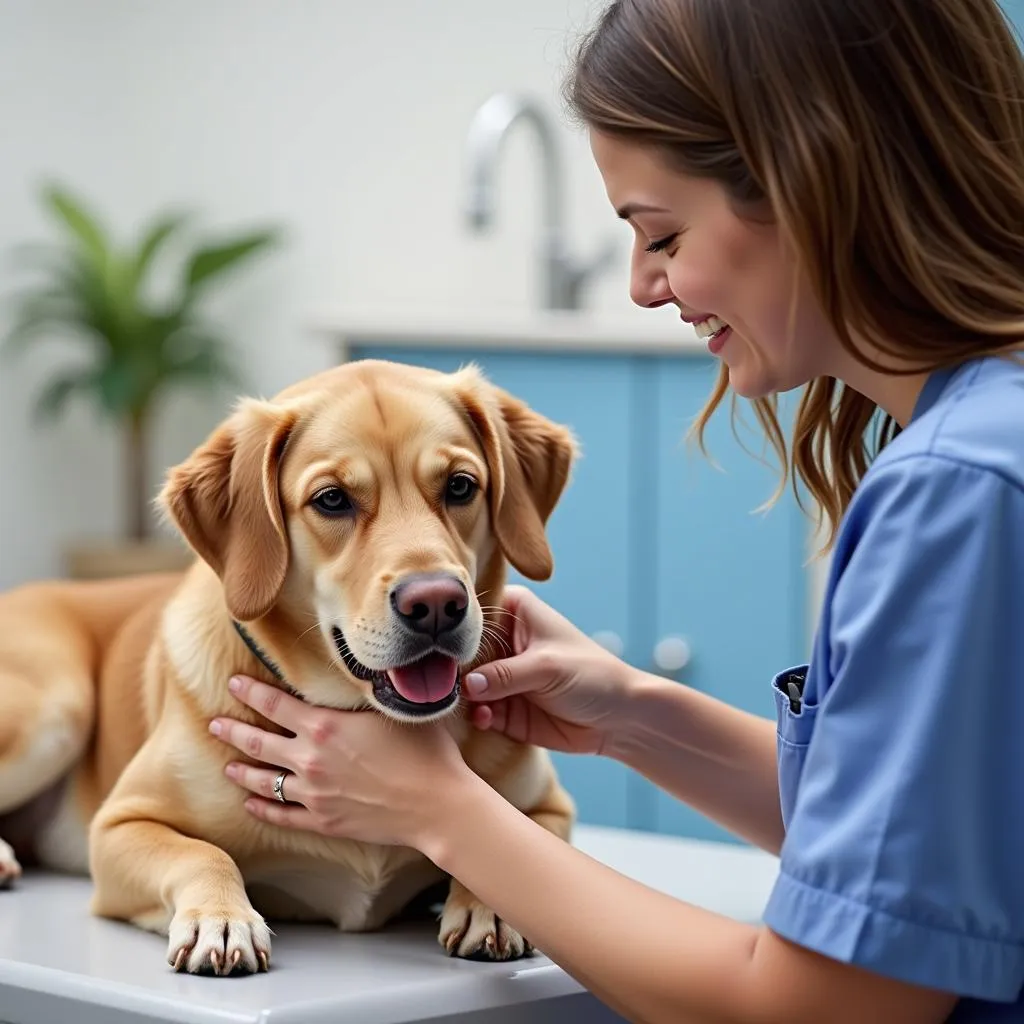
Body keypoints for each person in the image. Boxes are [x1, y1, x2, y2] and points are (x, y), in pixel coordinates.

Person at [208, 0, 1024, 1020]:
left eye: (662, 233)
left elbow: (830, 1005)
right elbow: (940, 836)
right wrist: (635, 713)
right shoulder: (988, 437)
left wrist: (438, 807)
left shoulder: (957, 491)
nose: (642, 285)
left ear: (812, 174)